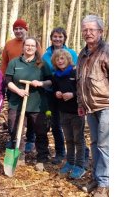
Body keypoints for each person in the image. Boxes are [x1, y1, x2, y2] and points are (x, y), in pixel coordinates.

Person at [5, 37, 53, 166]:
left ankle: (42, 158)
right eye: (27, 45)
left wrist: (41, 83)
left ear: (36, 48)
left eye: (32, 45)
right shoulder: (15, 62)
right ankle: (19, 156)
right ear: (23, 47)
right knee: (15, 129)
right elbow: (8, 80)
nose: (29, 48)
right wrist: (17, 91)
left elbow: (50, 81)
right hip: (17, 102)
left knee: (41, 131)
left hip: (37, 104)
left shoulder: (42, 63)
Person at [76, 15, 109, 196]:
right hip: (90, 107)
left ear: (100, 32)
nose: (88, 33)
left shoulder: (107, 51)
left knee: (105, 145)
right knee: (95, 143)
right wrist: (81, 103)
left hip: (106, 106)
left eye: (91, 30)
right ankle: (96, 178)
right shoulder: (82, 53)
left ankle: (104, 183)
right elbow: (79, 82)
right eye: (85, 30)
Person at [42, 27, 80, 164]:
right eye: (55, 37)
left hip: (69, 96)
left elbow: (76, 72)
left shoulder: (71, 53)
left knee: (72, 126)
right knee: (55, 123)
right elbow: (44, 73)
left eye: (60, 37)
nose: (57, 39)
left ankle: (80, 155)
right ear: (51, 38)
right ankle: (60, 152)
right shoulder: (45, 55)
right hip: (51, 93)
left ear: (64, 38)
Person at [49, 49, 86, 180]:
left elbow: (82, 90)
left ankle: (80, 165)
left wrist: (73, 95)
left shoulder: (75, 73)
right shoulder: (56, 76)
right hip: (63, 112)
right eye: (58, 59)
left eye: (63, 59)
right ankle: (70, 162)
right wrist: (57, 93)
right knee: (69, 139)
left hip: (77, 112)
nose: (60, 61)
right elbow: (54, 90)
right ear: (54, 61)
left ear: (68, 60)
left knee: (78, 140)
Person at [0, 18, 36, 153]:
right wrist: (3, 81)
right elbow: (4, 63)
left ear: (26, 29)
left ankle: (30, 140)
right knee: (13, 114)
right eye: (16, 29)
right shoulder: (9, 44)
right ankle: (14, 139)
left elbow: (40, 62)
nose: (18, 31)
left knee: (31, 115)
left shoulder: (33, 44)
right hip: (13, 86)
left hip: (31, 88)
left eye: (21, 28)